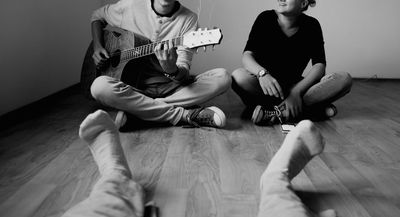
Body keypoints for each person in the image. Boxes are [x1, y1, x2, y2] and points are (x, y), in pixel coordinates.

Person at [62, 110, 335, 217]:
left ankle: (116, 174)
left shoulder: (185, 20)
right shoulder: (129, 13)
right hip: (144, 90)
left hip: (174, 88)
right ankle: (275, 180)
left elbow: (182, 74)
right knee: (102, 86)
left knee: (219, 79)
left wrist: (170, 69)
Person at [90, 0, 231, 128]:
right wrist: (97, 46)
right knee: (99, 87)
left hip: (171, 89)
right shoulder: (131, 6)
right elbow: (97, 16)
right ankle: (184, 114)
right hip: (133, 86)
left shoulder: (188, 19)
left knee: (223, 77)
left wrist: (171, 70)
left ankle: (140, 111)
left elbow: (183, 73)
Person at [231, 0, 352, 125]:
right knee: (239, 76)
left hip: (296, 86)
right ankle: (307, 111)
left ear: (303, 3)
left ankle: (275, 111)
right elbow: (247, 55)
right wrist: (263, 74)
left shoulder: (312, 26)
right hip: (265, 86)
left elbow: (319, 66)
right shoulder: (265, 18)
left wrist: (296, 92)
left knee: (344, 78)